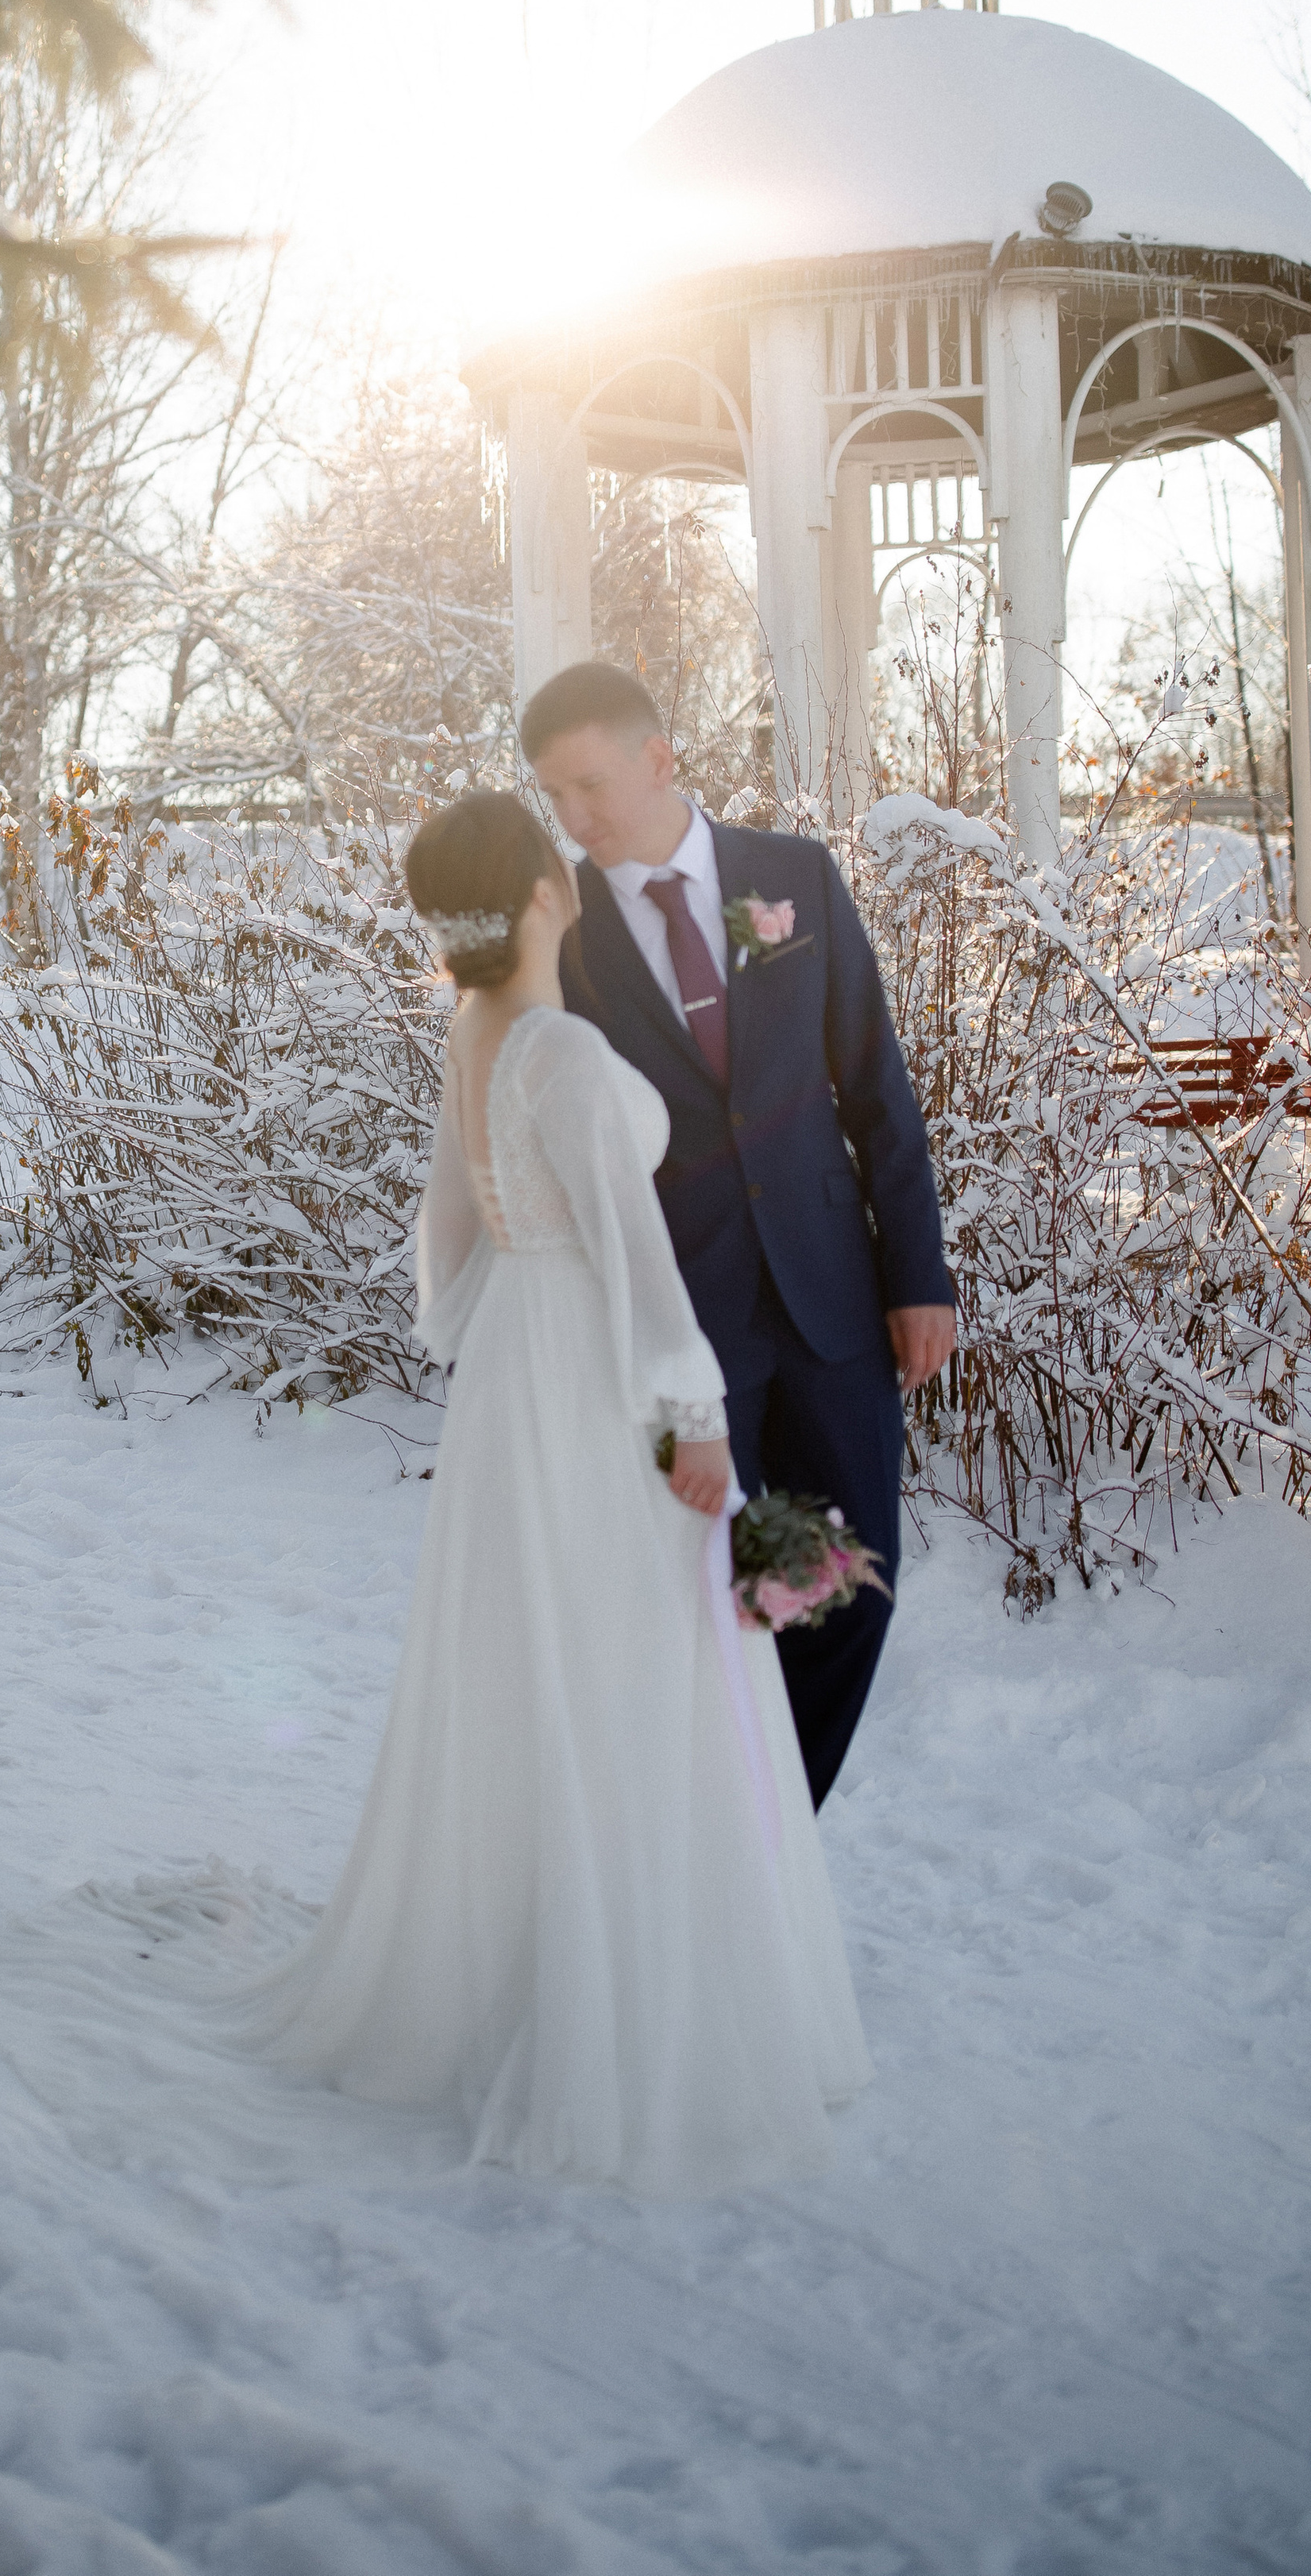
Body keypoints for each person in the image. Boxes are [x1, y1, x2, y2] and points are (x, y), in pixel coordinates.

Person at [225, 790, 870, 2193]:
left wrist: (495, 1335)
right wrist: (691, 1415)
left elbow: (444, 1252)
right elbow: (637, 1253)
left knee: (542, 1663)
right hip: (594, 1371)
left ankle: (538, 1962)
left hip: (519, 1367)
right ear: (534, 895)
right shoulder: (565, 1050)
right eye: (554, 863)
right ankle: (629, 2010)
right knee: (648, 1657)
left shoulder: (473, 1037)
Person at [522, 662, 954, 1811]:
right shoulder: (563, 930)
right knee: (716, 1595)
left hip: (831, 1301)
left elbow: (875, 1086)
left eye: (589, 784)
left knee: (851, 1589)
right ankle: (724, 1877)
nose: (573, 818)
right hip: (684, 1326)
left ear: (660, 760)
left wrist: (921, 1274)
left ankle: (770, 1857)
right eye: (552, 796)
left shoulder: (789, 877)